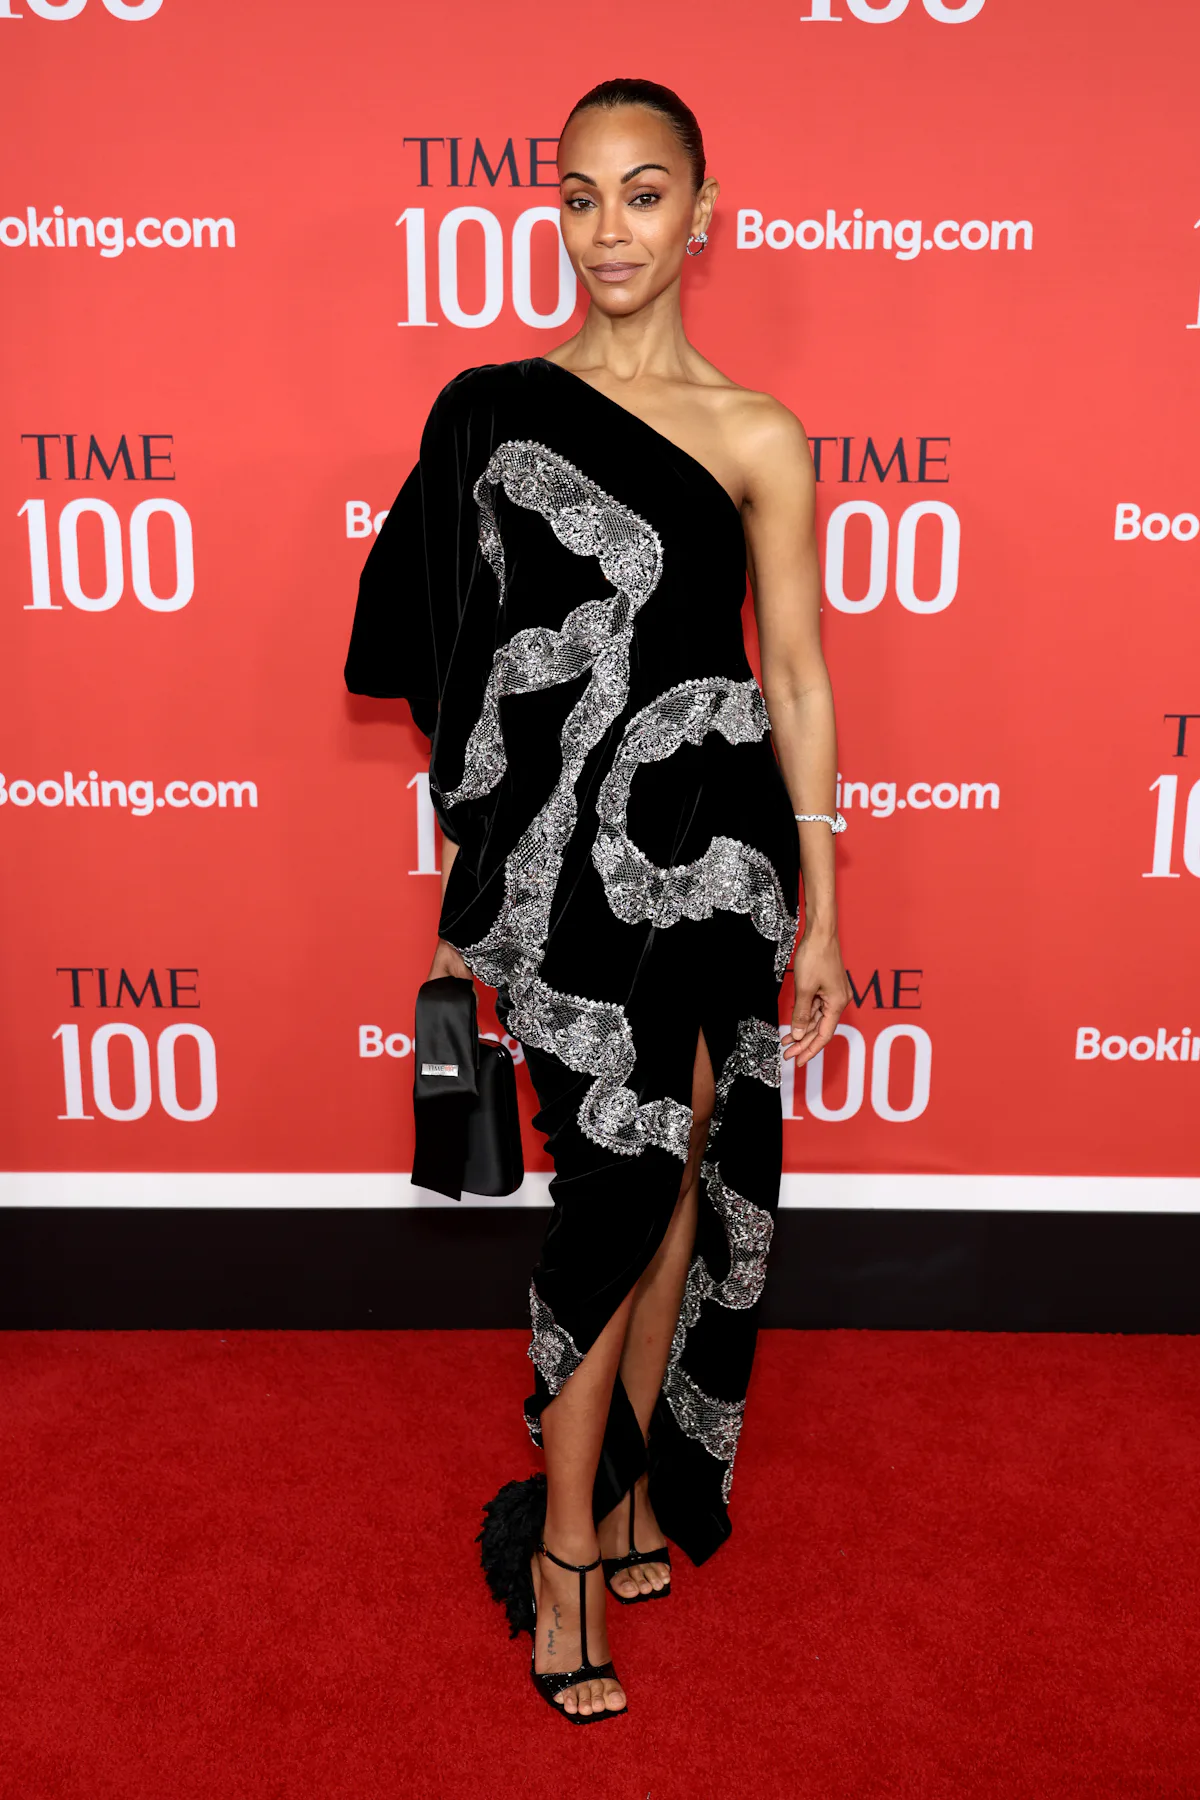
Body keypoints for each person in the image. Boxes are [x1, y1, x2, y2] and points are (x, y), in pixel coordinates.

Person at [345, 76, 849, 1725]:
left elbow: (795, 672)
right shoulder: (492, 417)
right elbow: (458, 672)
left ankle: (628, 1485)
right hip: (563, 869)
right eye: (578, 195)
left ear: (704, 212)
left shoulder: (759, 431)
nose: (608, 229)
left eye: (643, 194)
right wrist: (464, 883)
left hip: (725, 853)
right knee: (615, 1185)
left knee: (686, 1168)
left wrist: (826, 905)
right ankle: (563, 1543)